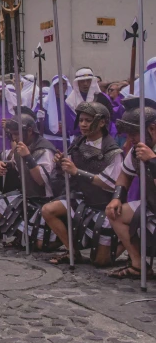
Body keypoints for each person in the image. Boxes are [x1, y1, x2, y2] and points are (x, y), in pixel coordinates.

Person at [40, 97, 122, 266]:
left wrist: (77, 172)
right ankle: (72, 251)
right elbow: (67, 173)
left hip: (104, 206)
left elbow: (110, 184)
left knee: (101, 262)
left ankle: (127, 241)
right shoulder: (78, 143)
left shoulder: (112, 151)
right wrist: (61, 162)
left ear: (101, 123)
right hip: (82, 200)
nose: (83, 124)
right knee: (48, 210)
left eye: (88, 120)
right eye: (82, 120)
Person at [0, 108, 57, 249]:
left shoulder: (44, 150)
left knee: (39, 245)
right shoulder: (21, 146)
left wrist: (27, 157)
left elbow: (40, 180)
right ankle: (23, 235)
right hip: (26, 195)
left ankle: (32, 236)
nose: (14, 138)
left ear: (30, 131)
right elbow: (13, 162)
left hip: (43, 199)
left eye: (16, 134)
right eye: (12, 135)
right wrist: (0, 164)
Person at [106, 97, 156, 279]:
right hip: (152, 205)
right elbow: (124, 175)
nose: (130, 139)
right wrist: (117, 197)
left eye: (134, 133)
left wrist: (152, 161)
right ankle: (138, 264)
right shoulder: (137, 150)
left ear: (152, 128)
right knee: (114, 212)